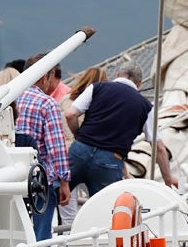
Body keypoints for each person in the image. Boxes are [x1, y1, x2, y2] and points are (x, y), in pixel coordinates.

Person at [65, 64, 178, 196]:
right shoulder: (146, 107)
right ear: (139, 84)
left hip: (80, 150)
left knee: (51, 195)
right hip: (109, 161)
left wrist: (79, 136)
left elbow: (70, 114)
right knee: (104, 205)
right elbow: (158, 148)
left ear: (117, 75)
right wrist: (168, 178)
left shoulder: (97, 87)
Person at [14, 54, 71, 247]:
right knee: (40, 236)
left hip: (9, 180)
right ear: (47, 75)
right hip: (39, 181)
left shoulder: (9, 99)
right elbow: (56, 147)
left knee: (17, 232)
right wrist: (64, 181)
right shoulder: (47, 104)